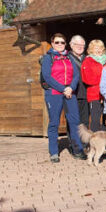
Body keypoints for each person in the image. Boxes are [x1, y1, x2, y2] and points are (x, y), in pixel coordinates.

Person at [40, 33, 86, 163]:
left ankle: (78, 150)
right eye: (57, 42)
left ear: (65, 44)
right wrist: (63, 89)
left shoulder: (69, 57)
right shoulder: (48, 58)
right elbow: (48, 77)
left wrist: (70, 87)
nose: (60, 45)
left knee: (75, 122)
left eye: (62, 42)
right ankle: (54, 152)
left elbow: (76, 75)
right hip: (54, 93)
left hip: (70, 92)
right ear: (52, 43)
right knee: (54, 122)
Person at [81, 39, 106, 132]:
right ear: (91, 49)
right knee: (95, 120)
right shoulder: (88, 61)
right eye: (96, 48)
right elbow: (87, 79)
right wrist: (103, 80)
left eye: (100, 47)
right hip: (94, 94)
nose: (98, 50)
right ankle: (95, 142)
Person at [68, 35, 89, 127]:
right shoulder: (66, 58)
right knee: (72, 121)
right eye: (77, 44)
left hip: (85, 94)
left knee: (85, 121)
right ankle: (74, 141)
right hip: (72, 94)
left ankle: (84, 141)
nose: (80, 47)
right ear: (71, 45)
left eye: (82, 45)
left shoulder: (88, 59)